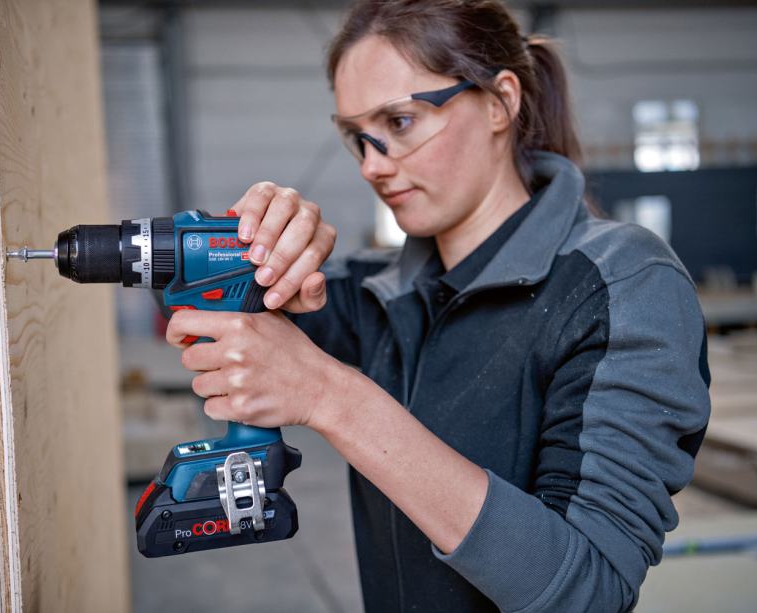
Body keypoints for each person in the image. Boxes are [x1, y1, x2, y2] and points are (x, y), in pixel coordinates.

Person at [165, 1, 711, 611]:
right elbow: (215, 304)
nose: (372, 165)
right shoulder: (379, 291)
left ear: (500, 102)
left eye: (400, 122)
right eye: (356, 136)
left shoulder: (622, 284)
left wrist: (331, 396)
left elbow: (589, 590)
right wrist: (255, 240)